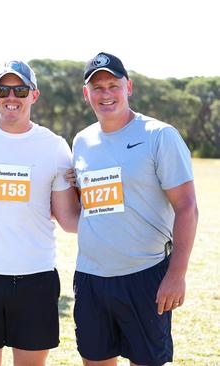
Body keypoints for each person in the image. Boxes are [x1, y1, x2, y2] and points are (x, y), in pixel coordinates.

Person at [71, 52, 198, 366]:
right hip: (91, 278)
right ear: (87, 94)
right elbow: (84, 204)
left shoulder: (159, 135)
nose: (106, 94)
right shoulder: (81, 141)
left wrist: (177, 274)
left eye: (113, 85)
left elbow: (187, 207)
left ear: (129, 87)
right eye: (97, 87)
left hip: (144, 276)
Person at [0, 60, 80, 366]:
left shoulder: (54, 147)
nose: (11, 96)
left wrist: (102, 197)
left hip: (36, 278)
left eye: (20, 89)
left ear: (34, 95)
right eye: (3, 89)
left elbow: (69, 221)